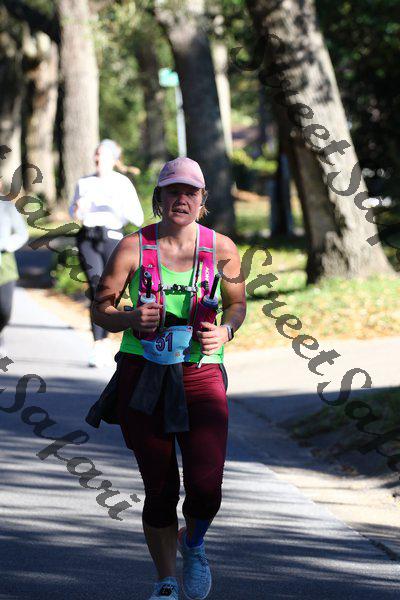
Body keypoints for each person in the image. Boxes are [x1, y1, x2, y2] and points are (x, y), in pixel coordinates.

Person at [87, 157, 246, 600]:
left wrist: (226, 330)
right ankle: (165, 581)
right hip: (144, 375)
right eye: (173, 191)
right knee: (160, 488)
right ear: (159, 198)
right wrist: (129, 318)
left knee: (206, 487)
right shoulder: (133, 247)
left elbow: (236, 304)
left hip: (200, 371)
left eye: (190, 192)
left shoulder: (222, 248)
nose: (181, 199)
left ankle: (192, 543)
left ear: (202, 200)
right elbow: (101, 307)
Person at [69, 139, 144, 368]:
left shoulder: (122, 183)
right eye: (96, 154)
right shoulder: (85, 182)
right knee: (95, 287)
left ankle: (106, 340)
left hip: (112, 238)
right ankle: (97, 344)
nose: (97, 158)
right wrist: (78, 208)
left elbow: (138, 218)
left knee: (109, 291)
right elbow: (74, 213)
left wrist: (115, 204)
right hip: (88, 238)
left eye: (102, 154)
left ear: (113, 158)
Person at [0, 180, 29, 358]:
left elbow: (22, 233)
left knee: (4, 310)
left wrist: (6, 245)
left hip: (4, 265)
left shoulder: (7, 207)